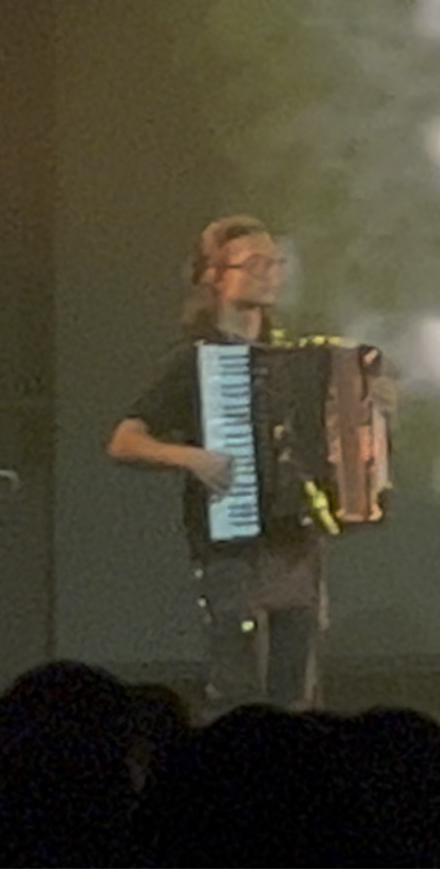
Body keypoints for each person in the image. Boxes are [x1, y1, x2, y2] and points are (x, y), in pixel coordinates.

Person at [107, 217, 326, 710]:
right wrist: (190, 457)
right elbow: (124, 440)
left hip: (297, 547)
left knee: (297, 694)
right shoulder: (195, 361)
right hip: (232, 553)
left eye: (275, 262)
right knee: (240, 691)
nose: (269, 273)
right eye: (254, 264)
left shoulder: (295, 357)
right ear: (214, 277)